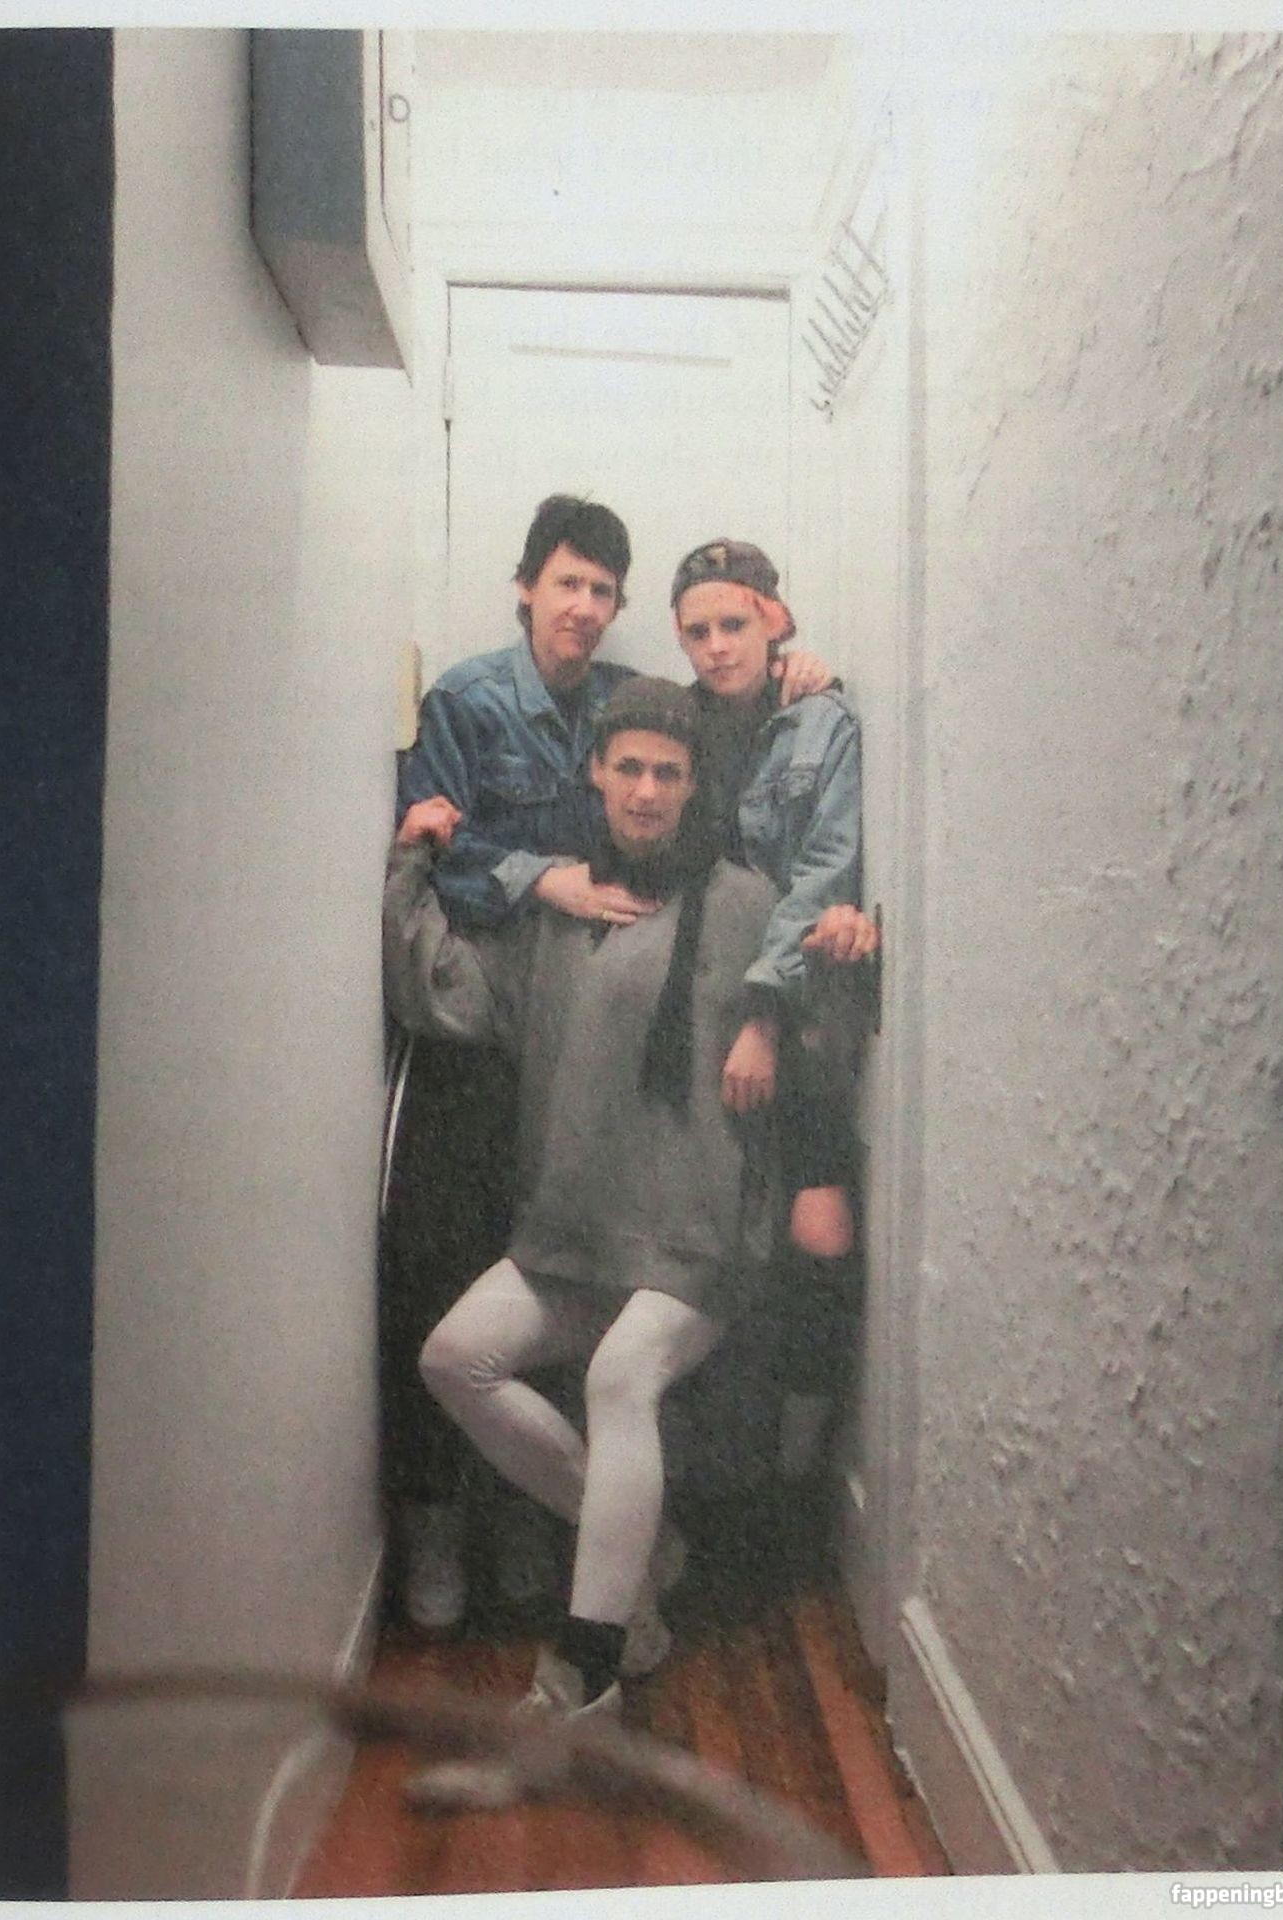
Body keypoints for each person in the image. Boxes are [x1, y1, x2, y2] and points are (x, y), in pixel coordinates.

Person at [384, 497, 830, 1635]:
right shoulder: (539, 860)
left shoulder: (738, 901)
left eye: (666, 773)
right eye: (625, 770)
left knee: (617, 1376)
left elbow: (735, 733)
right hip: (574, 1203)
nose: (644, 789)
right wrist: (434, 870)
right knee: (453, 1350)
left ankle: (591, 1650)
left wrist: (805, 691)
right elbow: (445, 975)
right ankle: (628, 1547)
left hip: (691, 1227)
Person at [671, 538, 878, 1485]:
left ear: (774, 621)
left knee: (817, 1235)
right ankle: (701, 1481)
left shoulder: (820, 724)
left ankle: (795, 1477)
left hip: (786, 1014)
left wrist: (762, 1017)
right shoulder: (670, 726)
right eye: (697, 631)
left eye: (734, 623)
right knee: (701, 1242)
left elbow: (824, 873)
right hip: (686, 1015)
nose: (717, 645)